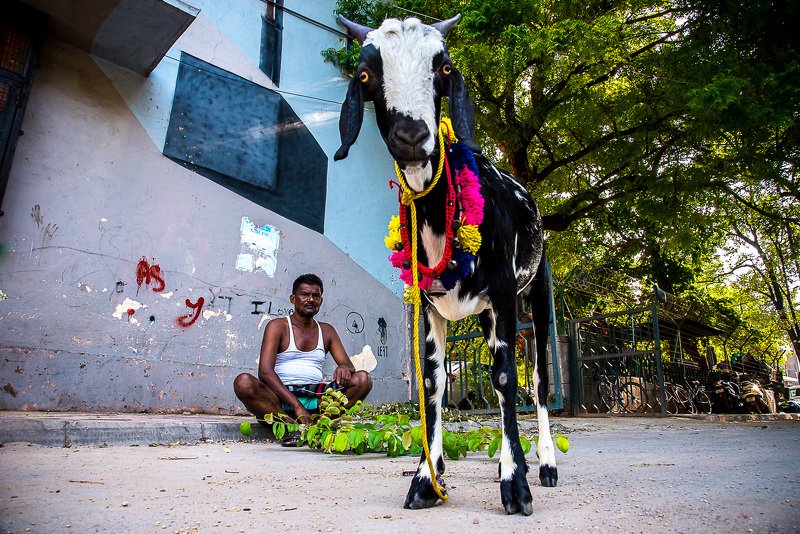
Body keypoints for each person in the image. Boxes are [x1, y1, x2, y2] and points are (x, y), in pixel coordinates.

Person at [233, 274, 372, 443]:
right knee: (243, 382)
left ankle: (319, 426)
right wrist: (296, 406)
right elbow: (265, 372)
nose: (311, 299)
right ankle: (288, 427)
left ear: (321, 300)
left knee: (363, 379)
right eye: (305, 294)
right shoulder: (278, 326)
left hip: (317, 398)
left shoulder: (327, 331)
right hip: (279, 400)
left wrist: (343, 367)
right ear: (293, 299)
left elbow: (348, 366)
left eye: (316, 296)